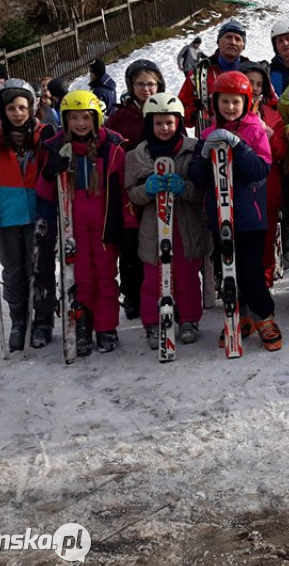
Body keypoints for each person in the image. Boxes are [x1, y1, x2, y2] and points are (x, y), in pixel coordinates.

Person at [192, 71, 281, 350]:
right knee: (227, 271)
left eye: (236, 102)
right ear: (216, 103)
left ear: (246, 103)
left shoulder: (256, 130)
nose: (230, 108)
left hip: (249, 216)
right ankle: (239, 316)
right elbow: (197, 176)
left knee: (250, 271)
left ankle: (264, 316)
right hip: (220, 216)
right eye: (225, 102)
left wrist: (239, 146)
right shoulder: (207, 133)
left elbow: (260, 169)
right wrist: (205, 152)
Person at [38, 90, 127, 355]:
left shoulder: (111, 147)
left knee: (105, 276)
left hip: (103, 223)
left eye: (85, 118)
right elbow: (43, 193)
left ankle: (106, 327)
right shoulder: (56, 147)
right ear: (65, 120)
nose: (80, 124)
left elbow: (122, 188)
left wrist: (126, 224)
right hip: (72, 223)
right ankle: (82, 324)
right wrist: (49, 171)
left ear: (96, 119)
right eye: (74, 118)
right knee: (79, 277)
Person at [0, 80, 54, 350]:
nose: (17, 113)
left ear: (31, 107)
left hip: (37, 212)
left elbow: (54, 171)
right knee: (14, 271)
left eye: (22, 107)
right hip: (6, 216)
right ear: (2, 110)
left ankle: (42, 321)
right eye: (11, 108)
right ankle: (19, 320)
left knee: (40, 270)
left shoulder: (41, 135)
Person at [125, 92, 211, 349]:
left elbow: (202, 191)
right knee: (153, 278)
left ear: (179, 123)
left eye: (169, 123)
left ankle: (188, 319)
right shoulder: (137, 155)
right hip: (154, 228)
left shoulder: (193, 149)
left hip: (186, 226)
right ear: (149, 123)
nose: (164, 128)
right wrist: (147, 190)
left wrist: (183, 187)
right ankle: (153, 322)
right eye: (158, 123)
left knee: (186, 276)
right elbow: (132, 193)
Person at [105, 59, 166, 320]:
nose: (146, 89)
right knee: (131, 244)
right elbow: (109, 146)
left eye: (151, 84)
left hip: (159, 182)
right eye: (140, 84)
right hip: (129, 187)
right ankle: (132, 294)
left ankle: (165, 289)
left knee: (160, 238)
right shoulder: (121, 116)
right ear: (131, 86)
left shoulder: (166, 108)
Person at [239, 59, 288, 288]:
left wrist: (267, 133)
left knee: (266, 240)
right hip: (237, 190)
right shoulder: (229, 111)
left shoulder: (272, 115)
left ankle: (264, 283)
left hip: (267, 187)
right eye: (250, 82)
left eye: (259, 83)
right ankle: (240, 286)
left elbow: (280, 151)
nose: (255, 87)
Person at [266, 17, 289, 269]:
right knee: (284, 202)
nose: (286, 44)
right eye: (281, 41)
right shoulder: (271, 72)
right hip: (281, 142)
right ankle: (284, 250)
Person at [178, 19, 250, 127]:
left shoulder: (253, 73)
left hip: (246, 139)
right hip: (208, 139)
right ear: (218, 41)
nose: (233, 42)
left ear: (243, 46)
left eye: (238, 39)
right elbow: (180, 111)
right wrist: (194, 111)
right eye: (228, 37)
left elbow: (270, 107)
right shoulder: (199, 73)